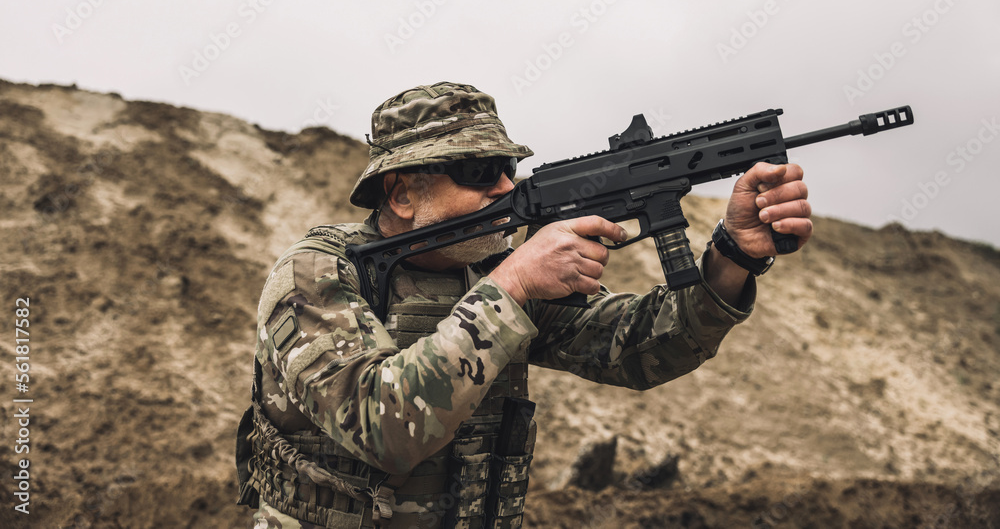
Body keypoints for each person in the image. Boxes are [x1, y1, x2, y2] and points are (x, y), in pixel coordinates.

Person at [236, 82, 812, 528]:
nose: (505, 187)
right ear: (403, 194)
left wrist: (732, 257)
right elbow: (384, 427)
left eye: (508, 168)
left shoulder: (489, 270)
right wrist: (512, 286)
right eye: (478, 171)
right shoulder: (318, 273)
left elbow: (636, 349)